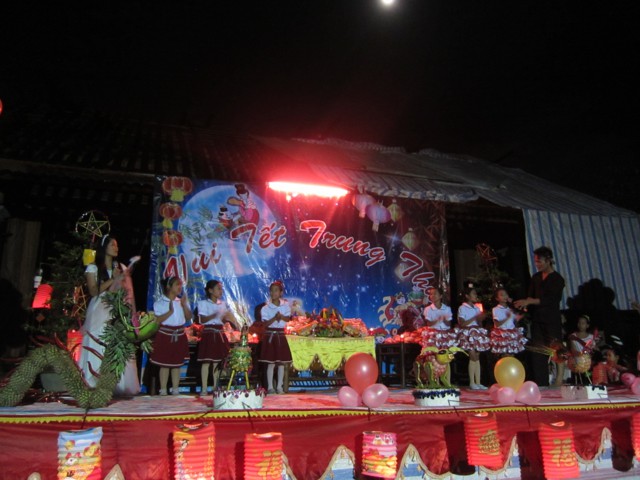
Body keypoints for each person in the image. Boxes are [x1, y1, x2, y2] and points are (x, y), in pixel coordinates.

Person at [78, 235, 140, 396]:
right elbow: (93, 291)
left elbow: (128, 292)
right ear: (104, 247)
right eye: (112, 244)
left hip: (116, 306)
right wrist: (113, 279)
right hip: (100, 307)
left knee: (116, 342)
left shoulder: (120, 267)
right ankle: (93, 381)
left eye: (117, 245)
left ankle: (116, 383)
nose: (116, 248)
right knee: (98, 339)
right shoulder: (93, 267)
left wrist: (131, 312)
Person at [514, 246, 565, 387]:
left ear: (548, 260)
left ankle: (559, 379)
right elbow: (530, 296)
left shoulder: (557, 279)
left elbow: (551, 300)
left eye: (539, 261)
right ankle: (541, 382)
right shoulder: (536, 277)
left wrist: (530, 301)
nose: (537, 264)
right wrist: (523, 307)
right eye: (535, 261)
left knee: (556, 348)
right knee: (538, 350)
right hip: (537, 319)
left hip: (551, 319)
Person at [150, 276, 193, 395]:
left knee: (177, 364)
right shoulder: (160, 303)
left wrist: (184, 305)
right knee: (164, 364)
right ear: (169, 286)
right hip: (165, 334)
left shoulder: (181, 302)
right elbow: (157, 320)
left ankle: (175, 389)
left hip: (179, 334)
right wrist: (170, 312)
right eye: (177, 285)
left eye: (180, 285)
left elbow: (188, 317)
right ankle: (163, 389)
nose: (179, 287)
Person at [196, 279, 239, 394]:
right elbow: (202, 320)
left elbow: (223, 320)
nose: (221, 291)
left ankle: (216, 387)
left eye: (221, 289)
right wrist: (214, 315)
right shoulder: (203, 303)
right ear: (210, 290)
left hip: (219, 333)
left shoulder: (222, 304)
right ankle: (204, 388)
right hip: (209, 333)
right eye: (218, 289)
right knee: (206, 361)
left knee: (217, 362)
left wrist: (228, 319)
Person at [259, 280, 292, 394]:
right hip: (270, 335)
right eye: (272, 291)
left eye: (276, 290)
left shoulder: (285, 306)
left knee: (281, 362)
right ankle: (270, 387)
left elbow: (287, 319)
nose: (273, 293)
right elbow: (265, 324)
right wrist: (275, 318)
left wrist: (281, 316)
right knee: (271, 362)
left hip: (280, 335)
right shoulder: (266, 308)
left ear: (281, 293)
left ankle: (279, 387)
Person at [457, 286, 490, 390]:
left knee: (477, 357)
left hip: (477, 333)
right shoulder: (462, 308)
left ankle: (478, 382)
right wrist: (475, 317)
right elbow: (462, 323)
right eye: (473, 293)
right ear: (467, 296)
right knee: (472, 357)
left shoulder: (476, 308)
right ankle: (472, 382)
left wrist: (481, 319)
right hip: (468, 333)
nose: (476, 295)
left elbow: (479, 323)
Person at [422, 287, 457, 385]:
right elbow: (429, 323)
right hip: (433, 335)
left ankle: (447, 382)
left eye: (435, 294)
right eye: (431, 294)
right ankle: (435, 382)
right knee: (434, 358)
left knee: (446, 358)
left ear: (441, 296)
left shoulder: (447, 308)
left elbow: (448, 323)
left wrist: (444, 319)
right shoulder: (428, 309)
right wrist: (438, 319)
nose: (432, 296)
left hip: (445, 335)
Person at [491, 287, 527, 356]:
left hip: (511, 335)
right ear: (497, 298)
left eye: (506, 294)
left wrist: (521, 313)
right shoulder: (496, 309)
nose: (505, 296)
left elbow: (516, 320)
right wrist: (507, 318)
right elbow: (497, 324)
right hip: (502, 335)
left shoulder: (510, 309)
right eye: (502, 295)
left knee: (512, 355)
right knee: (505, 356)